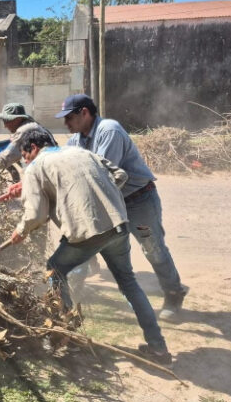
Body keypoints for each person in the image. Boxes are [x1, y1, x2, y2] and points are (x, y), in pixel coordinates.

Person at [11, 130, 172, 364]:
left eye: (25, 156)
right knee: (128, 282)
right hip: (117, 224)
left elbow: (36, 213)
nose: (25, 161)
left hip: (86, 232)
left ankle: (66, 337)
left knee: (54, 269)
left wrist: (21, 231)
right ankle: (158, 348)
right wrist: (96, 197)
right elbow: (120, 174)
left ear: (33, 148)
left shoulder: (36, 167)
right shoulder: (82, 152)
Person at [56, 94, 188, 321]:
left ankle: (174, 293)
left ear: (84, 113)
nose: (65, 123)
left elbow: (101, 176)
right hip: (109, 202)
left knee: (152, 248)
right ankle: (67, 301)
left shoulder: (109, 131)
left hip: (137, 200)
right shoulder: (76, 141)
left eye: (69, 117)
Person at [0, 102, 57, 176]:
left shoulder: (24, 130)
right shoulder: (34, 125)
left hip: (45, 174)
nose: (5, 125)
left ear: (18, 119)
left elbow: (7, 156)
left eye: (6, 121)